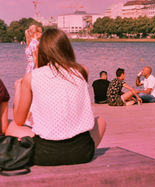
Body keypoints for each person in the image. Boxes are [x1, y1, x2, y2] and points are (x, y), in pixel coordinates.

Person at [6, 28, 106, 166]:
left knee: (9, 125)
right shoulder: (82, 71)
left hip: (43, 154)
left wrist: (19, 88)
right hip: (82, 152)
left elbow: (19, 120)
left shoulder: (31, 78)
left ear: (41, 51)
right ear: (66, 49)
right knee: (101, 121)